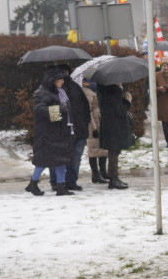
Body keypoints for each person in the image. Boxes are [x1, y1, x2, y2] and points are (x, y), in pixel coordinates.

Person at [27, 67, 75, 196]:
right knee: (43, 161)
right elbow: (39, 109)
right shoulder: (42, 93)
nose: (62, 82)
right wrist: (59, 109)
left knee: (60, 160)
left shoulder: (59, 92)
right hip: (47, 134)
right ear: (52, 80)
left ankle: (60, 186)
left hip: (59, 132)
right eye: (60, 79)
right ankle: (33, 184)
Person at [47, 65, 89, 192]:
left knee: (74, 157)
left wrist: (85, 122)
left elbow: (85, 106)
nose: (63, 77)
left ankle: (68, 182)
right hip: (64, 129)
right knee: (60, 157)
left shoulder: (74, 87)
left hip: (77, 128)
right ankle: (58, 182)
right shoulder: (52, 91)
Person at [97, 83, 135, 190]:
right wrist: (127, 100)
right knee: (114, 152)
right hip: (115, 126)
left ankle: (114, 177)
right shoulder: (113, 92)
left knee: (113, 152)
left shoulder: (103, 90)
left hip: (109, 125)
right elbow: (119, 110)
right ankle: (113, 179)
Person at [82, 79, 109, 184]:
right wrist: (92, 128)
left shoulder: (94, 88)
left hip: (100, 122)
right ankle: (95, 174)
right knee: (93, 149)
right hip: (93, 124)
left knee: (103, 148)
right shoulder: (86, 90)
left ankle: (103, 172)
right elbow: (87, 111)